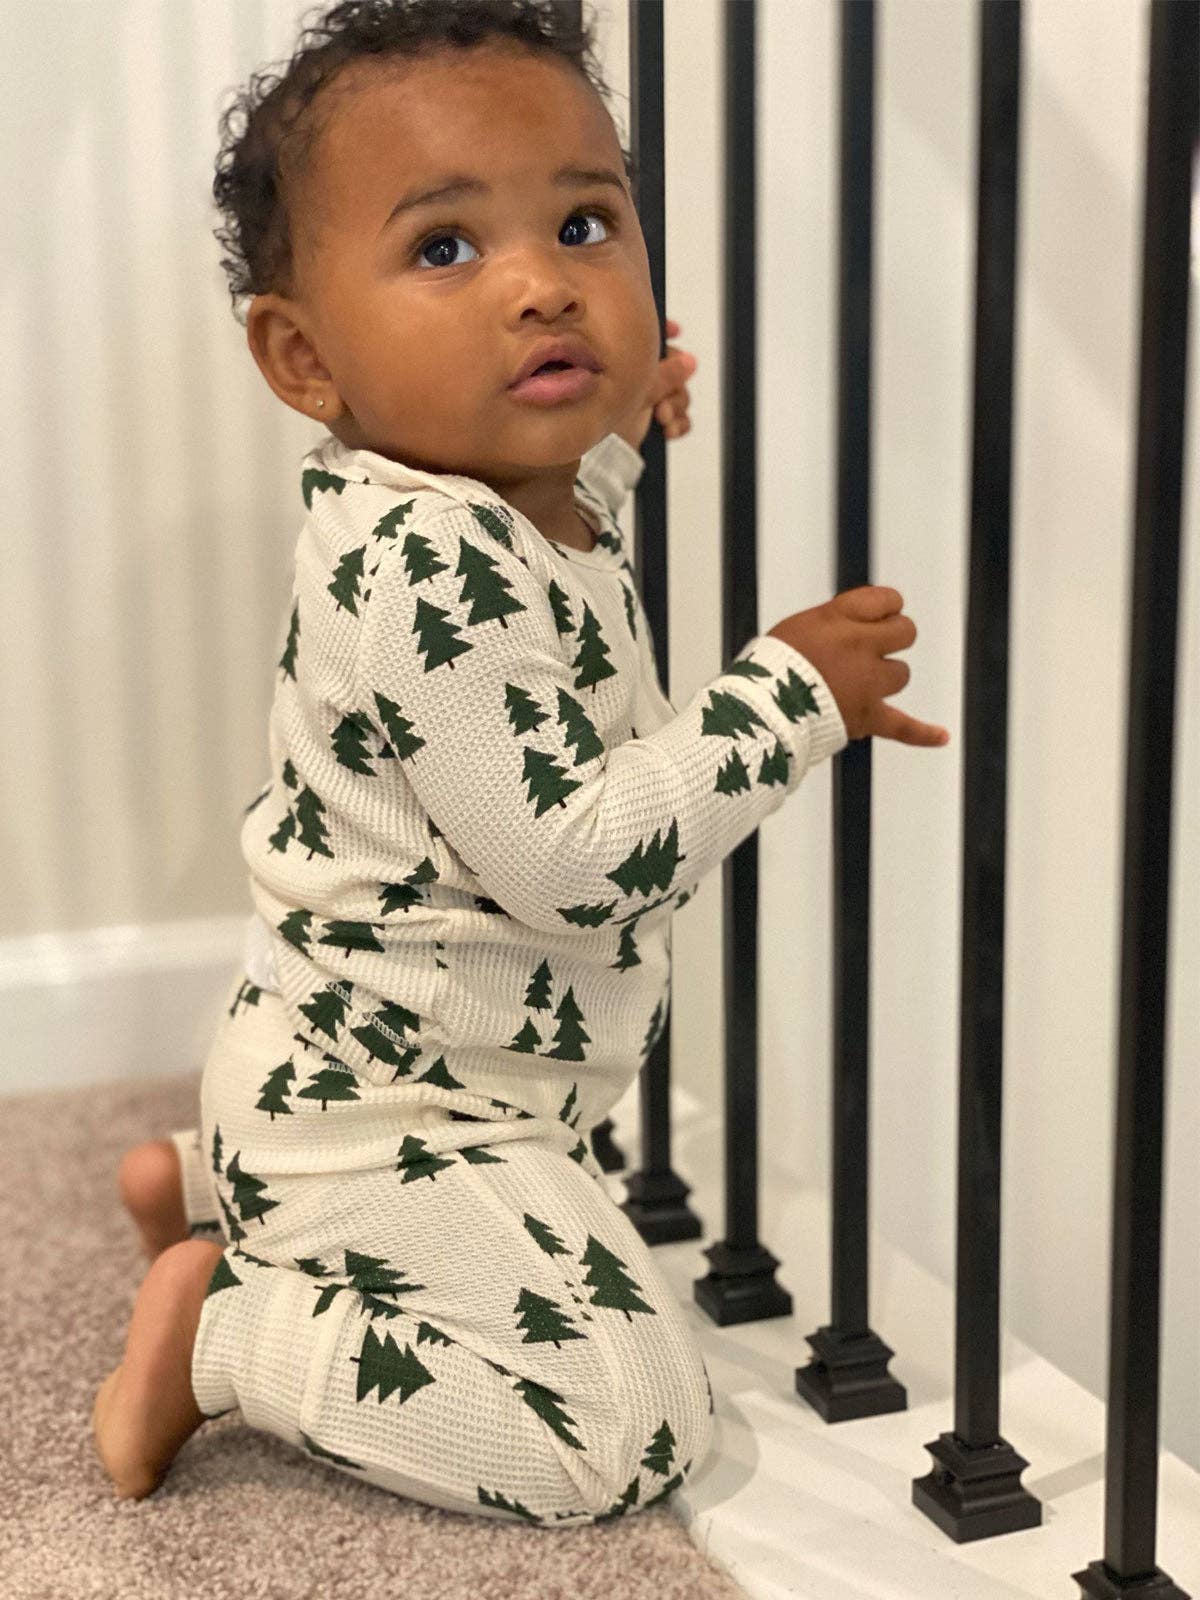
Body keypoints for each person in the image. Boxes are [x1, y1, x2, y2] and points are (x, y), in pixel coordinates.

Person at [92, 0, 950, 1525]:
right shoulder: (424, 564)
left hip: (391, 1077)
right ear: (305, 357)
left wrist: (622, 423)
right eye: (445, 247)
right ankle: (227, 1332)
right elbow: (569, 859)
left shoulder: (486, 504)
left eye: (583, 223)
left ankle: (215, 1179)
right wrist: (788, 695)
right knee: (624, 1424)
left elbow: (557, 543)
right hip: (395, 1117)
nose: (543, 283)